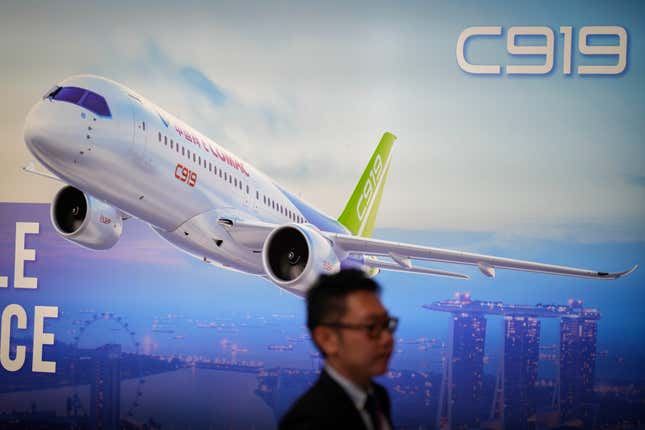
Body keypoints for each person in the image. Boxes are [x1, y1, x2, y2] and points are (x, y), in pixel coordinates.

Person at [279, 269, 398, 430]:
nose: (387, 339)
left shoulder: (378, 397)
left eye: (386, 324)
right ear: (327, 339)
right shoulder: (308, 423)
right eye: (371, 327)